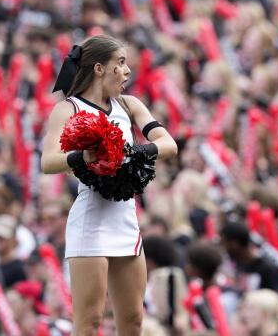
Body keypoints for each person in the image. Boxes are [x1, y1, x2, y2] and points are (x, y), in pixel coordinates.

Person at [40, 35, 178, 336]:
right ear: (100, 68)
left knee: (133, 322)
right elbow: (48, 161)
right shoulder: (69, 108)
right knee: (89, 323)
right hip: (91, 219)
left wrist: (135, 152)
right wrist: (87, 156)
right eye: (121, 63)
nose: (128, 71)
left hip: (126, 219)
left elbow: (168, 144)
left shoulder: (129, 105)